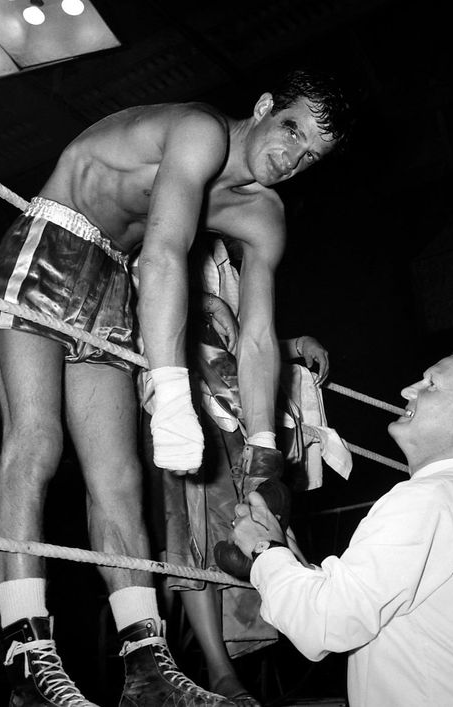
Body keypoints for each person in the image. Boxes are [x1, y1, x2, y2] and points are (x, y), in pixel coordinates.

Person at [0, 68, 352, 707]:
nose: (292, 156)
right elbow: (166, 251)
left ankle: (146, 664)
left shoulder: (263, 213)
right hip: (56, 239)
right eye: (291, 129)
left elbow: (258, 339)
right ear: (263, 106)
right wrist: (171, 390)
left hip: (115, 278)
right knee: (36, 443)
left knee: (119, 479)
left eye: (310, 153)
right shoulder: (200, 131)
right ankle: (28, 659)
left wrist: (263, 451)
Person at [231, 347, 453, 706]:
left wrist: (265, 551)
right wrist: (285, 555)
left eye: (431, 384)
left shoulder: (431, 498)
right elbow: (372, 606)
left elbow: (324, 623)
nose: (408, 390)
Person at [137, 232, 339, 707]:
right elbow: (140, 296)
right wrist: (203, 300)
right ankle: (214, 667)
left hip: (232, 412)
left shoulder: (234, 258)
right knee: (188, 529)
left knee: (239, 525)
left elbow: (243, 341)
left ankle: (300, 613)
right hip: (175, 401)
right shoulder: (168, 225)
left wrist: (294, 346)